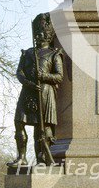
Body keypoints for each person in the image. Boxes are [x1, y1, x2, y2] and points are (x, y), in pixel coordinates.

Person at [8, 13, 63, 166]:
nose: (39, 35)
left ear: (49, 35)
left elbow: (59, 77)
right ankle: (22, 157)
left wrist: (44, 75)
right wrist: (27, 83)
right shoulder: (27, 53)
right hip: (28, 91)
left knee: (41, 128)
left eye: (43, 32)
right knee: (19, 122)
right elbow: (20, 72)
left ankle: (42, 158)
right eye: (37, 32)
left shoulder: (54, 54)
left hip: (45, 93)